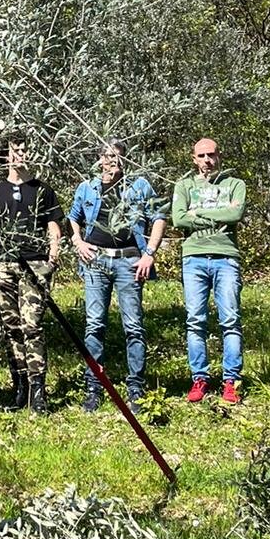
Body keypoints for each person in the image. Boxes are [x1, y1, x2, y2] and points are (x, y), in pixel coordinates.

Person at [68, 140, 167, 412]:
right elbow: (73, 216)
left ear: (124, 160)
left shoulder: (139, 185)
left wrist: (149, 253)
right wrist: (78, 241)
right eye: (107, 156)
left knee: (133, 326)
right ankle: (94, 386)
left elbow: (159, 217)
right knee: (94, 324)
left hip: (129, 261)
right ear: (99, 159)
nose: (112, 162)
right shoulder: (87, 187)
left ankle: (136, 387)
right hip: (96, 261)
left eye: (117, 157)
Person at [0, 134, 64, 413]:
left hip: (34, 265)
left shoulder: (42, 191)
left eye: (25, 150)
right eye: (16, 151)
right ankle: (20, 386)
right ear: (6, 157)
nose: (21, 155)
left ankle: (38, 390)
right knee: (12, 328)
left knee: (32, 325)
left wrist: (52, 254)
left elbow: (53, 225)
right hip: (2, 266)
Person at [172, 137, 247, 405]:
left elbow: (235, 215)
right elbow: (178, 218)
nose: (207, 160)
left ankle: (231, 381)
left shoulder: (235, 184)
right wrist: (216, 214)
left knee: (230, 320)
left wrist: (198, 213)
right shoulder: (184, 185)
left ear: (219, 156)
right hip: (193, 258)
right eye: (201, 156)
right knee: (195, 320)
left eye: (211, 155)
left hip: (226, 258)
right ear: (194, 159)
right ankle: (199, 378)